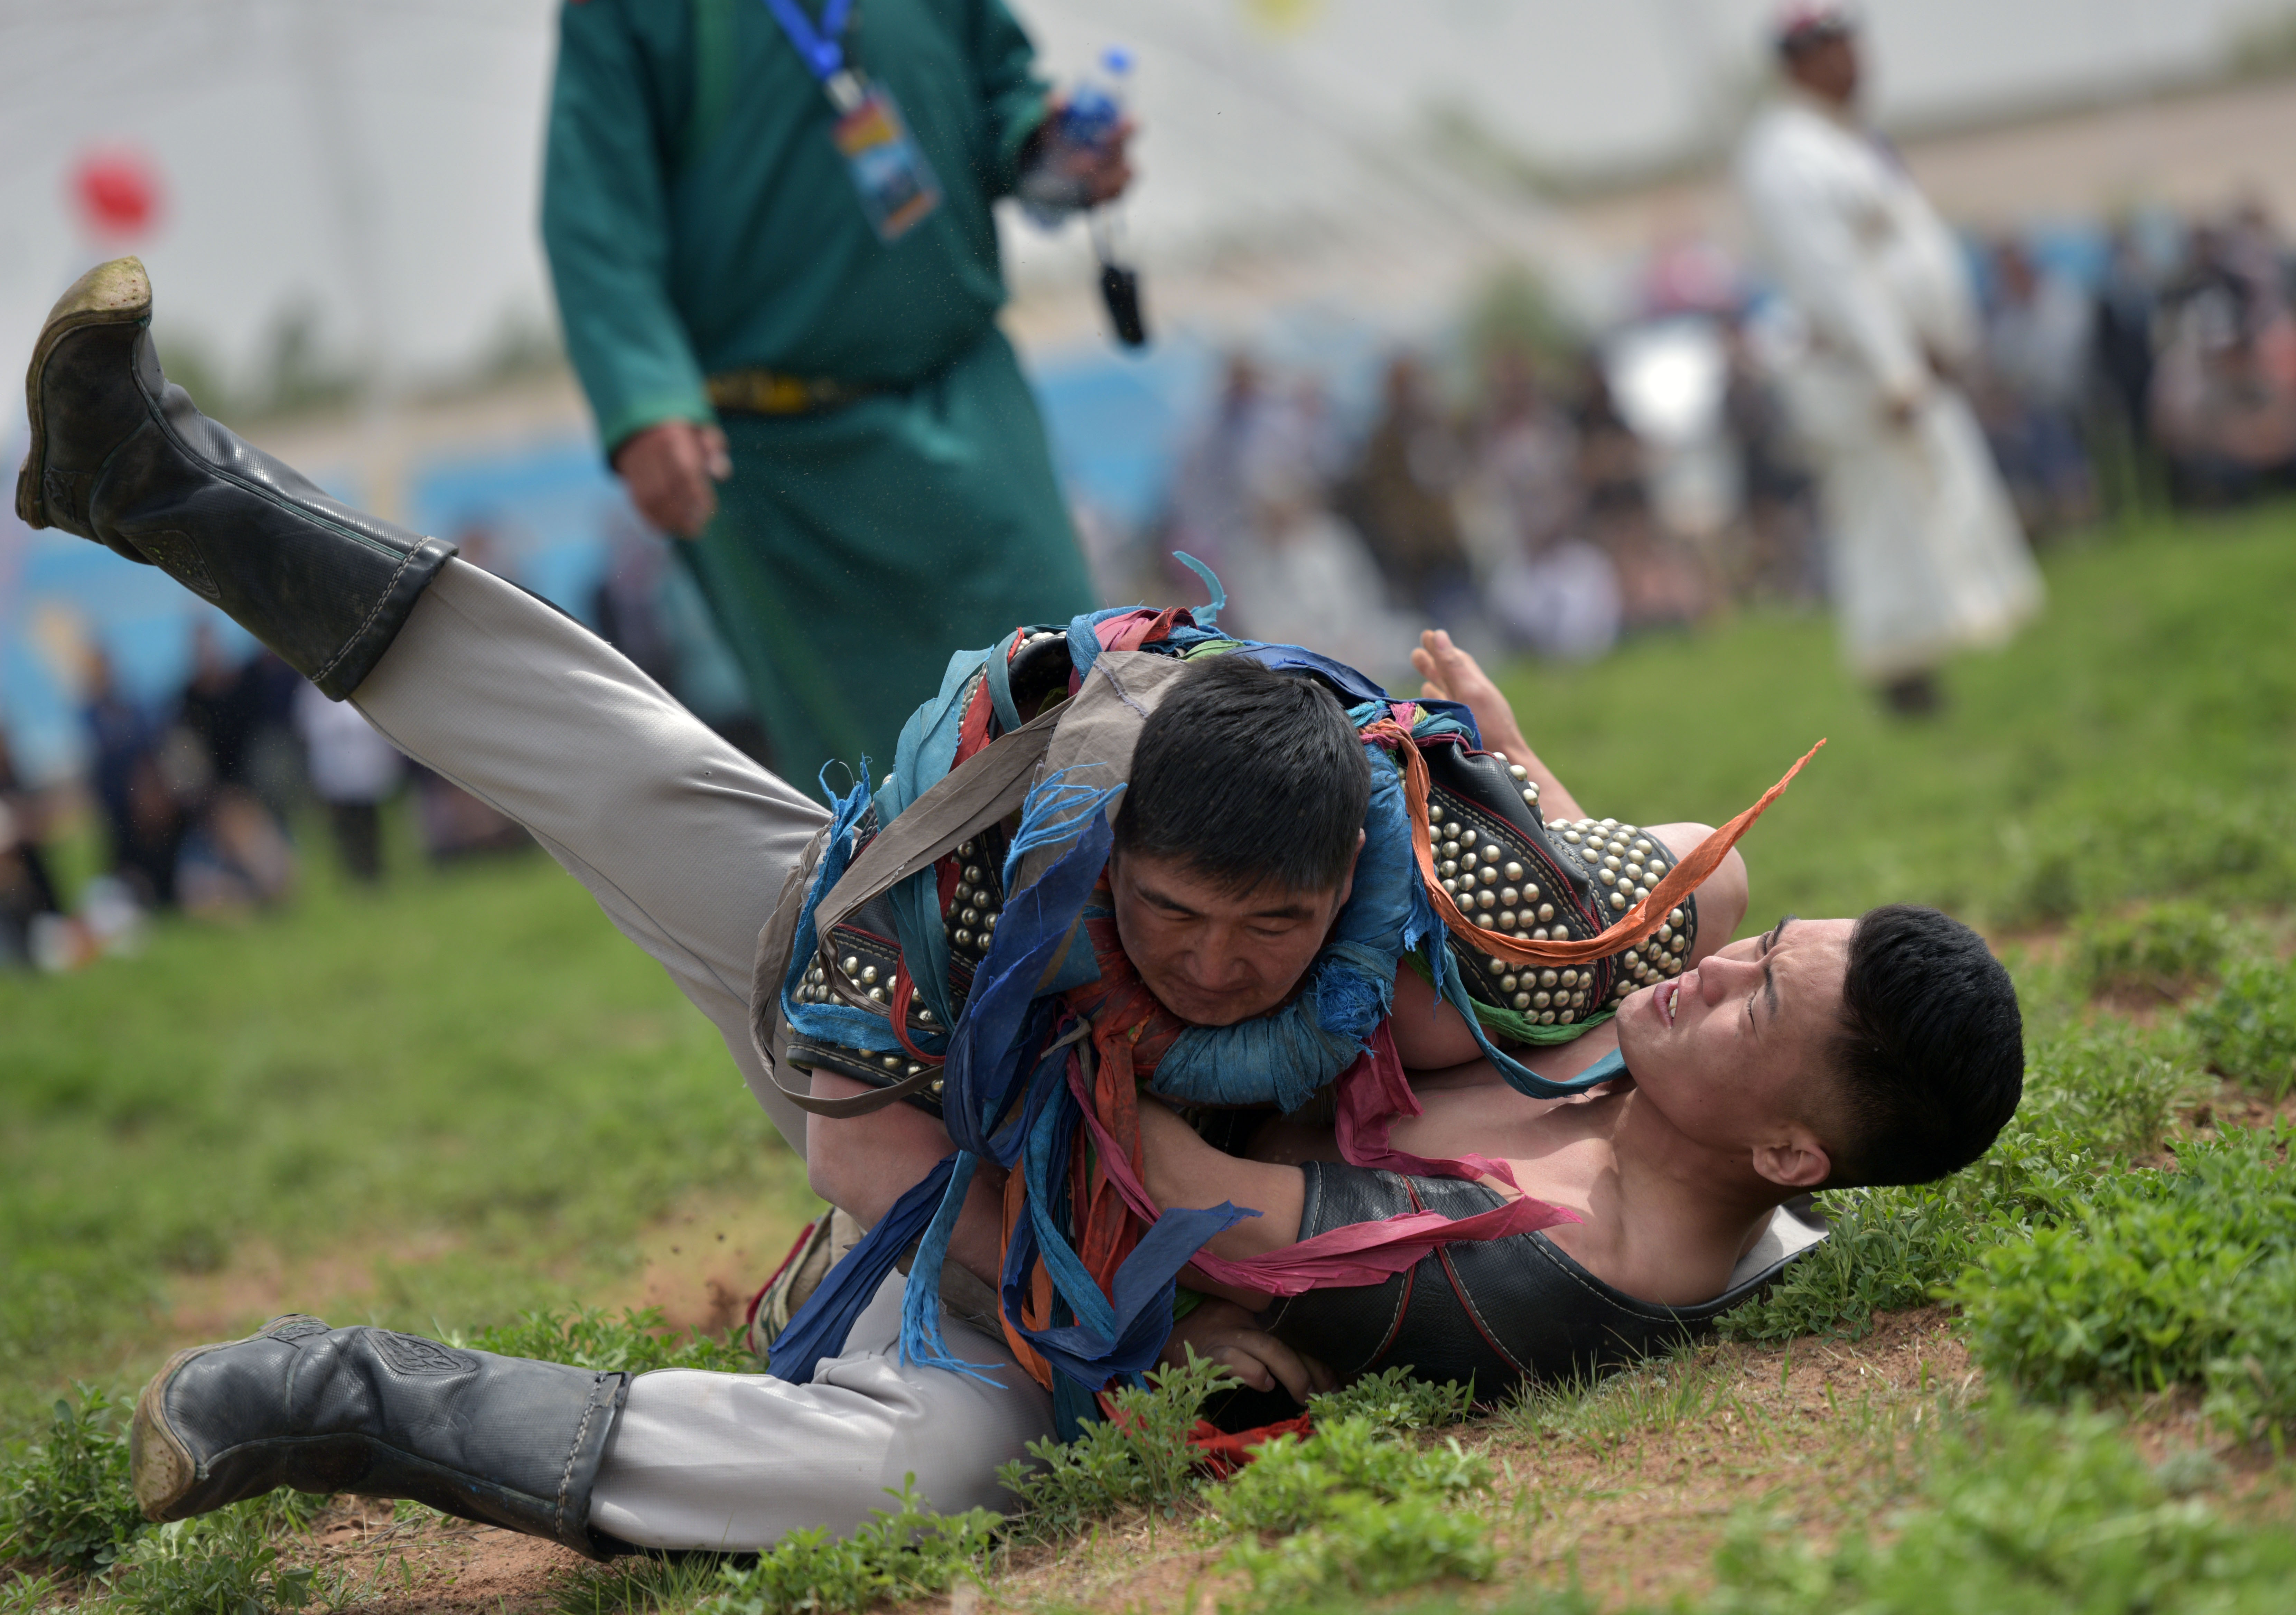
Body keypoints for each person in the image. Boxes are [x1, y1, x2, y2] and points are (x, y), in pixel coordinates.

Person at [17, 259, 2019, 1557]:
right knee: (638, 764)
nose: (1723, 970)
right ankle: (154, 476)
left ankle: (318, 1397)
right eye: (1757, 957)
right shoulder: (1670, 1046)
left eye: (1757, 1003)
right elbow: (1692, 891)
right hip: (1041, 969)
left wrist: (987, 971)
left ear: (1783, 1136)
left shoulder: (1551, 1264)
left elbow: (1182, 1200)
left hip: (1040, 1216)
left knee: (912, 1474)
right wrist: (1519, 826)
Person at [541, 0, 1116, 790]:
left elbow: (1003, 88)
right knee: (892, 802)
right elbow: (595, 212)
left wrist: (1051, 145)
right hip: (784, 466)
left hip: (974, 401)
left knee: (1078, 726)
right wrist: (645, 399)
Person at [1735, 4, 2042, 716]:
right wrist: (1894, 369)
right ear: (1796, 64)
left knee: (1929, 511)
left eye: (1850, 42)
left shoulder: (1844, 141)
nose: (1852, 60)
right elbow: (1831, 276)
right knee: (1883, 525)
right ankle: (1902, 677)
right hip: (1857, 373)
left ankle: (1942, 659)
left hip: (1899, 364)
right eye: (1830, 48)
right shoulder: (1787, 153)